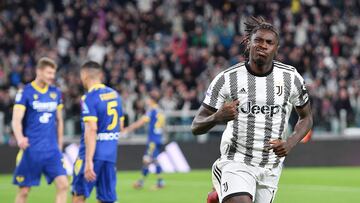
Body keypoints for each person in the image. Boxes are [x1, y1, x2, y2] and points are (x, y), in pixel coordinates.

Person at [191, 16, 313, 203]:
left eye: (269, 42)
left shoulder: (291, 78)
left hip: (270, 167)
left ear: (276, 48)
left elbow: (306, 118)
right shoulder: (227, 79)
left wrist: (290, 142)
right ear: (249, 44)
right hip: (236, 160)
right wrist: (217, 117)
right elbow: (196, 126)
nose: (263, 45)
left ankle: (217, 198)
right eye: (258, 40)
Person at [12, 57, 69, 203]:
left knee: (63, 185)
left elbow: (60, 120)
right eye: (49, 73)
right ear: (39, 71)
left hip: (51, 150)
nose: (52, 76)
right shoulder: (25, 92)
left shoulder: (55, 92)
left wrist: (60, 144)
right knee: (24, 191)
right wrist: (19, 138)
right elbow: (16, 119)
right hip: (32, 149)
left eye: (53, 73)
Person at [72, 61, 124, 203]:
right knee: (106, 199)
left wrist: (88, 161)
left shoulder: (89, 98)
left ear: (84, 75)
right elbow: (121, 125)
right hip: (110, 155)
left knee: (79, 195)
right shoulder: (115, 95)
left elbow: (92, 129)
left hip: (92, 155)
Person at [123, 89, 165, 189]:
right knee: (153, 160)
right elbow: (162, 125)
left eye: (147, 99)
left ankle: (157, 182)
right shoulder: (160, 110)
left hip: (153, 140)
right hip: (158, 138)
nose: (146, 101)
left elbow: (140, 122)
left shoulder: (152, 111)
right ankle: (144, 182)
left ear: (151, 100)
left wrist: (127, 129)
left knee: (147, 160)